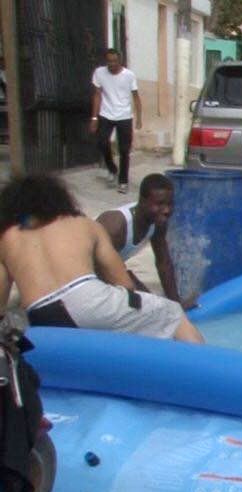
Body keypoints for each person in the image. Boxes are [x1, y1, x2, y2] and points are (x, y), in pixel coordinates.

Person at [0, 174, 203, 343]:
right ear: (59, 198)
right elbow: (124, 284)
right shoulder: (84, 224)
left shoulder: (6, 238)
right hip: (87, 297)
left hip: (39, 313)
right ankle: (205, 370)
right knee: (172, 313)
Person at [94, 173, 191, 307]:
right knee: (147, 306)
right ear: (143, 201)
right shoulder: (116, 225)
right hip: (83, 275)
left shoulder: (158, 221)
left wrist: (176, 305)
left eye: (170, 204)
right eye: (160, 204)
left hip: (109, 270)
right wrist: (141, 295)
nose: (167, 210)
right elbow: (96, 266)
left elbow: (163, 263)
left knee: (153, 305)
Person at [89, 48, 142, 194]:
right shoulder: (99, 73)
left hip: (124, 116)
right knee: (102, 142)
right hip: (106, 114)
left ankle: (123, 181)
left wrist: (139, 118)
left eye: (115, 61)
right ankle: (112, 168)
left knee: (124, 150)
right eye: (109, 61)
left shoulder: (129, 75)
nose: (112, 64)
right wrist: (94, 118)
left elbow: (136, 96)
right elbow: (97, 95)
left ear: (120, 61)